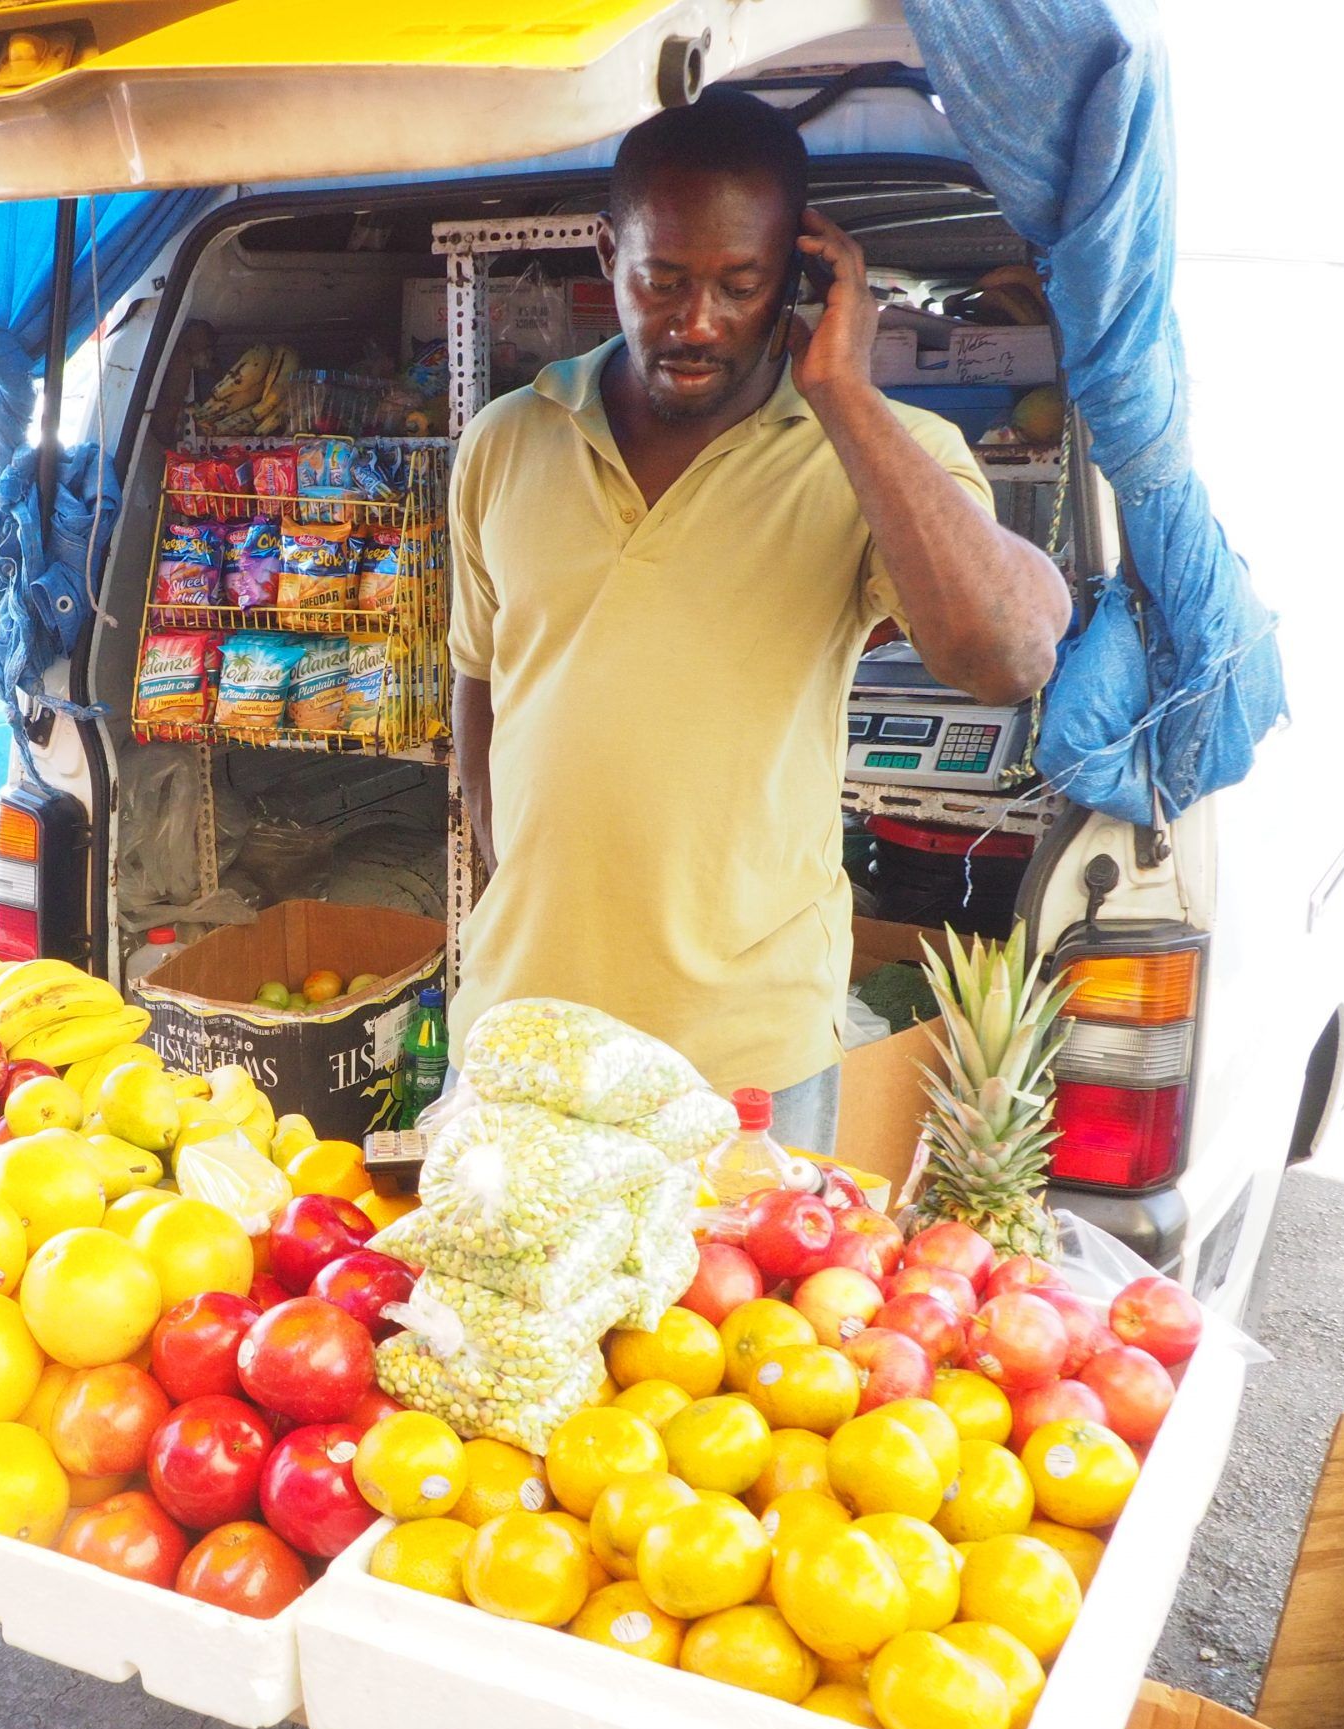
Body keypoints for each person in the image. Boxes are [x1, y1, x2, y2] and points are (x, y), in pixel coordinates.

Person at [446, 90, 1070, 1152]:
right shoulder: (508, 440)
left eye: (741, 286)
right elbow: (480, 676)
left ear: (799, 280)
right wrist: (505, 853)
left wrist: (845, 393)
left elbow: (1005, 655)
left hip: (741, 1063)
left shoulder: (878, 456)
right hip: (517, 1033)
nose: (695, 323)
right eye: (663, 280)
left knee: (737, 1328)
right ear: (607, 255)